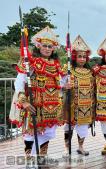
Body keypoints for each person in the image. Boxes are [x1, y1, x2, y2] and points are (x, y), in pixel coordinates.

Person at [9, 26, 64, 161]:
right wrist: (24, 101)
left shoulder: (56, 65)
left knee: (48, 133)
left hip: (51, 106)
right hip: (34, 104)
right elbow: (19, 82)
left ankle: (41, 158)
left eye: (50, 46)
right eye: (44, 45)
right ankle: (30, 159)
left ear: (53, 48)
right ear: (39, 46)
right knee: (30, 134)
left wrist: (65, 85)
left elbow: (59, 83)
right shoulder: (30, 62)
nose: (47, 48)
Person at [62, 35, 94, 156]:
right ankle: (66, 148)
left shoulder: (90, 72)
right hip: (71, 103)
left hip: (86, 105)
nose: (81, 59)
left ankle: (81, 146)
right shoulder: (68, 69)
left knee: (83, 128)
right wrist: (65, 87)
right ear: (75, 57)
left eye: (84, 57)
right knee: (69, 127)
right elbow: (59, 84)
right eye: (79, 57)